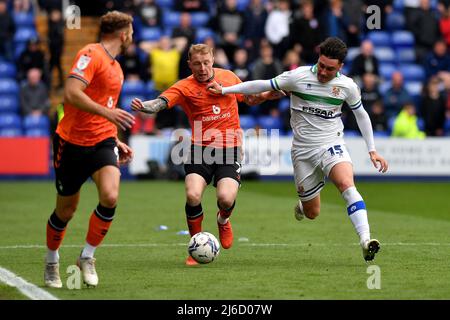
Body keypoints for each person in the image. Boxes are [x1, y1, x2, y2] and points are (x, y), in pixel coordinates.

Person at [208, 37, 389, 262]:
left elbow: (361, 114)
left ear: (340, 67)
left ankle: (365, 240)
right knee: (312, 212)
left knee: (346, 184)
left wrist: (372, 149)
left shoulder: (348, 87)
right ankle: (303, 207)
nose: (323, 71)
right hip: (302, 151)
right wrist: (225, 90)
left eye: (329, 68)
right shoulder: (298, 77)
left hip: (331, 143)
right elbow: (262, 84)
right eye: (321, 65)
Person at [131, 44, 283, 266]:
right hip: (199, 148)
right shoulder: (184, 87)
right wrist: (146, 106)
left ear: (212, 60)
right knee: (193, 195)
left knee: (226, 198)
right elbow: (161, 102)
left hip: (229, 148)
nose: (202, 68)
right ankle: (195, 244)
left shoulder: (228, 77)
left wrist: (269, 95)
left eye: (206, 63)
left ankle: (223, 219)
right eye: (196, 64)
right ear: (189, 64)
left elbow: (249, 99)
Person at [44, 11, 136, 288]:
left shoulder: (117, 68)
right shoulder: (90, 53)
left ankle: (87, 256)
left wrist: (115, 139)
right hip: (71, 142)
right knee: (66, 211)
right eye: (131, 32)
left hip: (102, 142)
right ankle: (51, 262)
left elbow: (104, 109)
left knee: (110, 196)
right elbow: (71, 93)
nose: (132, 37)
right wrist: (108, 115)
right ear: (123, 34)